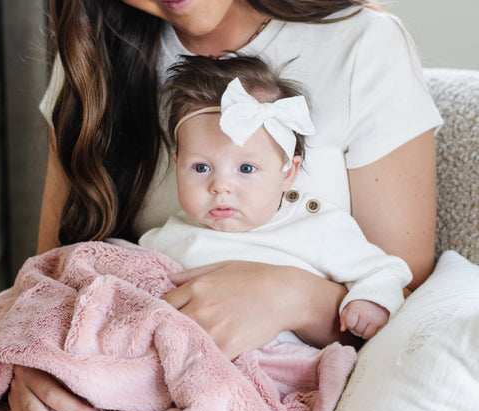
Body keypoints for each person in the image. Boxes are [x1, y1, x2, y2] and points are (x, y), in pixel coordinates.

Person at [9, 0, 443, 411]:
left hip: (278, 398)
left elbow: (412, 310)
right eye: (198, 169)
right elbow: (52, 276)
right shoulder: (94, 51)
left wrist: (292, 298)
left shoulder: (362, 45)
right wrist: (30, 355)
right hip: (122, 389)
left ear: (291, 170)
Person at [138, 54, 413, 342]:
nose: (220, 186)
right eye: (201, 167)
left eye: (246, 168)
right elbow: (130, 268)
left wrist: (370, 301)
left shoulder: (319, 229)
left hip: (281, 363)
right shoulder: (171, 236)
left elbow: (384, 270)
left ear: (287, 173)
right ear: (177, 163)